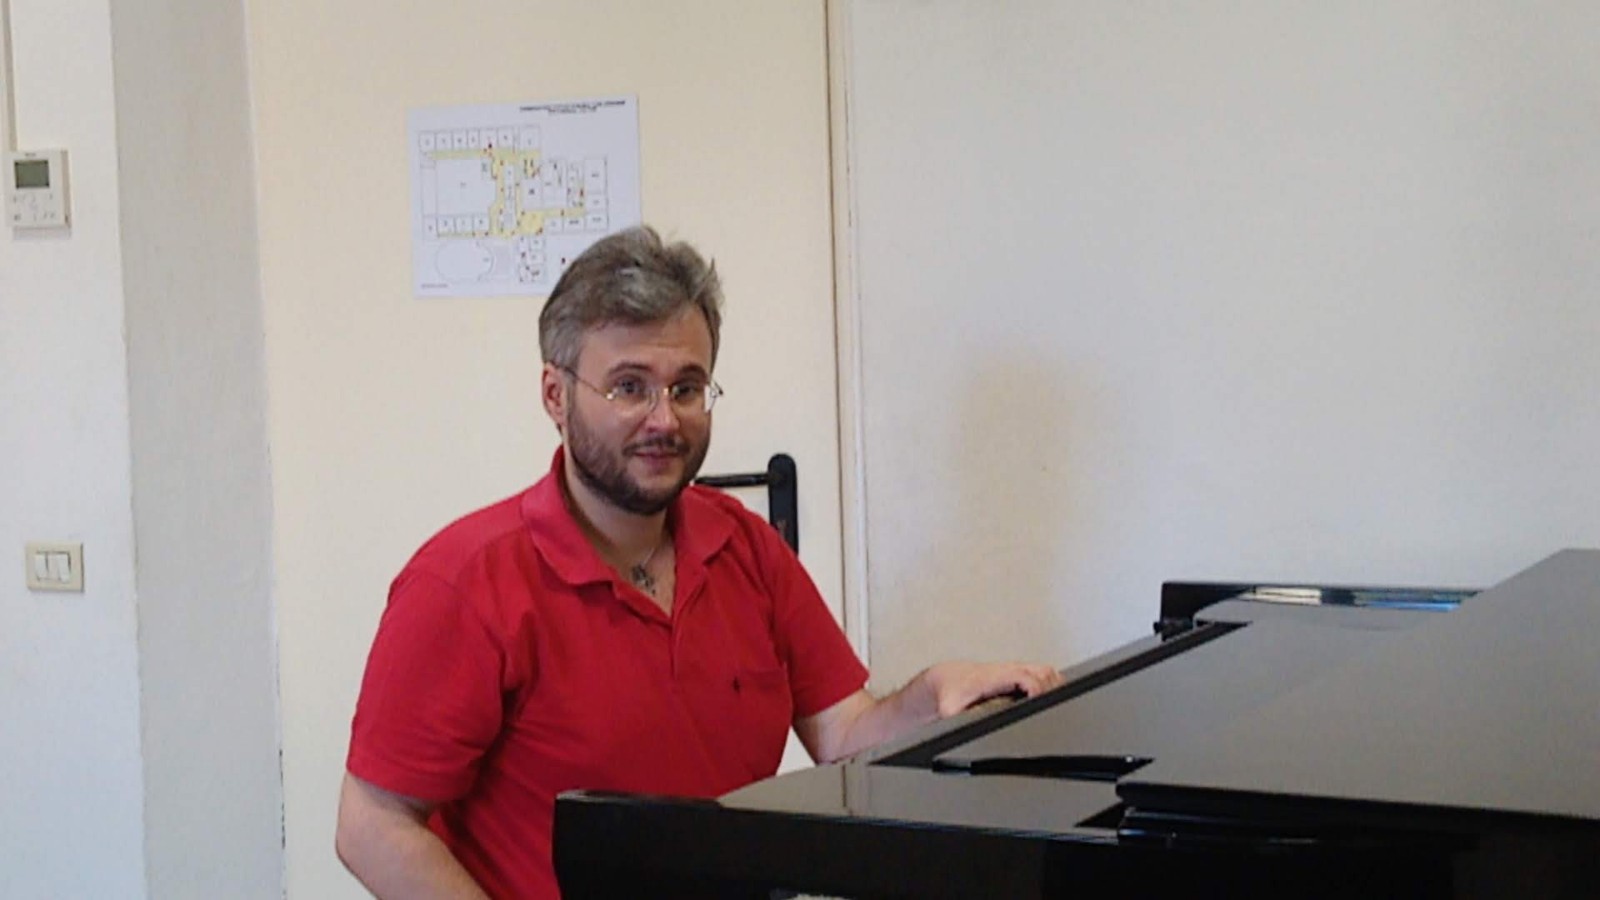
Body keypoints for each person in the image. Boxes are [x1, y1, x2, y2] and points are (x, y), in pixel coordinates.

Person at [335, 225, 1063, 899]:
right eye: (629, 386)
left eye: (686, 387)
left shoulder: (745, 547)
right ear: (556, 396)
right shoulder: (465, 582)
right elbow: (372, 825)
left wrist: (930, 699)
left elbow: (844, 737)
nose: (664, 418)